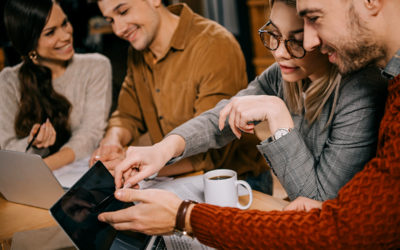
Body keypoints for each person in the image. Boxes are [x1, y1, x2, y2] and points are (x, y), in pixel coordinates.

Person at [98, 0, 400, 248]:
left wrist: (280, 119)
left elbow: (319, 207)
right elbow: (221, 116)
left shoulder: (361, 88)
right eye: (273, 35)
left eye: (296, 40)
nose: (280, 52)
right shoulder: (283, 73)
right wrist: (163, 149)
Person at [89, 0, 270, 193]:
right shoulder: (138, 50)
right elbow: (126, 116)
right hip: (176, 177)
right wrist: (112, 142)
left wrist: (138, 166)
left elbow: (211, 147)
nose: (118, 29)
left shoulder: (214, 44)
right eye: (110, 20)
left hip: (236, 181)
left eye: (123, 12)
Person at [0, 0, 112, 170]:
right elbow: (7, 150)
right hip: (28, 184)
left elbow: (90, 134)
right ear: (30, 45)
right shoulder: (8, 81)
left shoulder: (96, 66)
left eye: (65, 23)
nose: (66, 35)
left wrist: (42, 169)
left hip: (73, 176)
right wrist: (34, 145)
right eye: (50, 32)